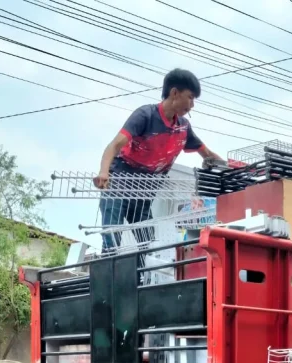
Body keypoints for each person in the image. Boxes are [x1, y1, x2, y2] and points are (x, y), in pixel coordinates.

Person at [93, 68, 225, 252]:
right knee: (111, 240)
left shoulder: (183, 128)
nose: (192, 104)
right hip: (118, 187)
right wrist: (103, 172)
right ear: (174, 93)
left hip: (143, 194)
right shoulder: (145, 116)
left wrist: (231, 169)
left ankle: (142, 279)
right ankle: (108, 275)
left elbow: (207, 153)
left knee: (147, 244)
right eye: (190, 97)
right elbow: (113, 146)